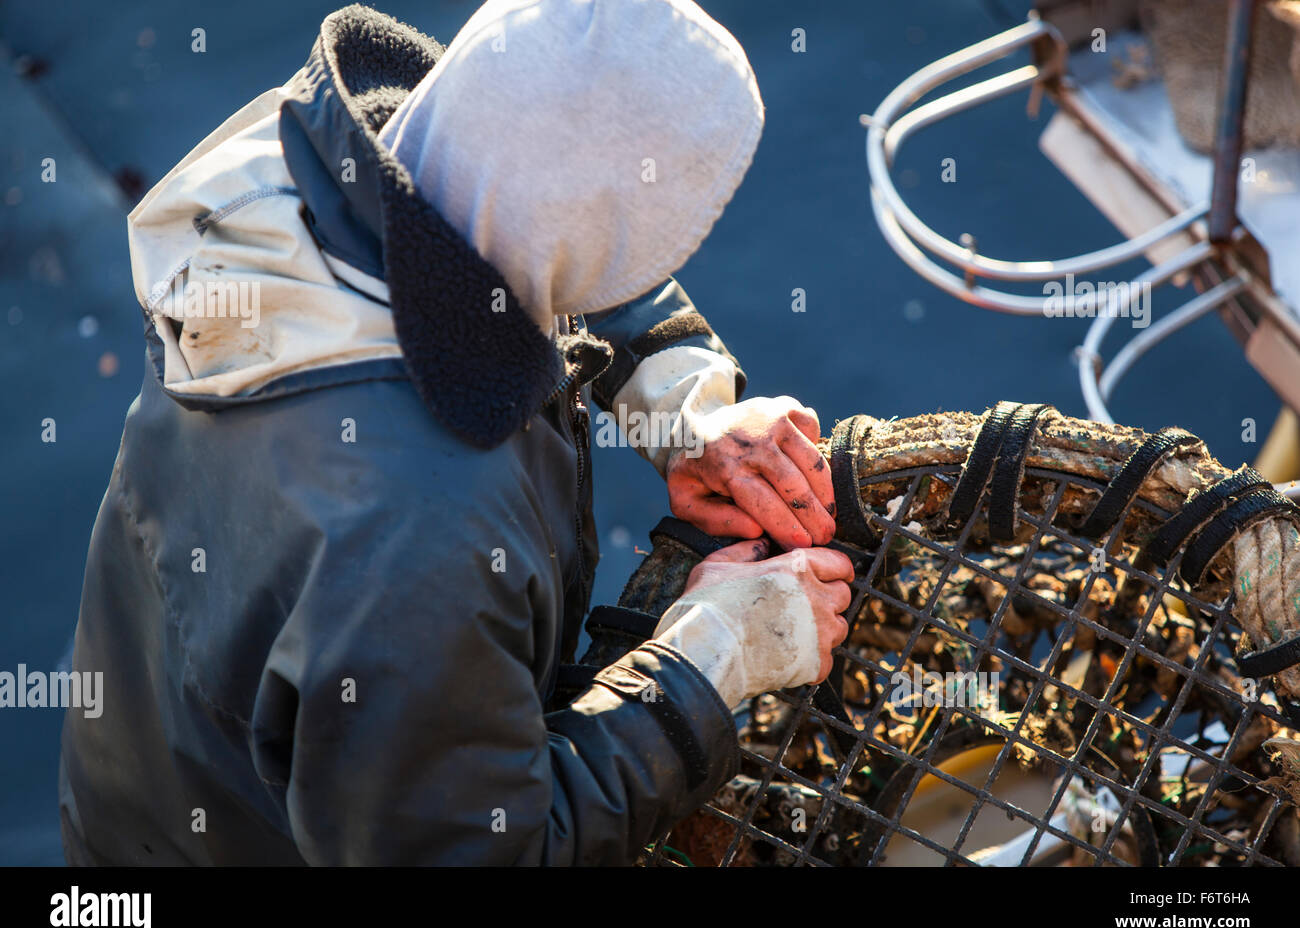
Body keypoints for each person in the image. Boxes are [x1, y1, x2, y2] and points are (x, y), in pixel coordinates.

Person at [59, 0, 853, 866]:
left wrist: (686, 404)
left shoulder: (311, 172)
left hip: (157, 788)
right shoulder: (415, 532)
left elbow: (524, 206)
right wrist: (713, 660)